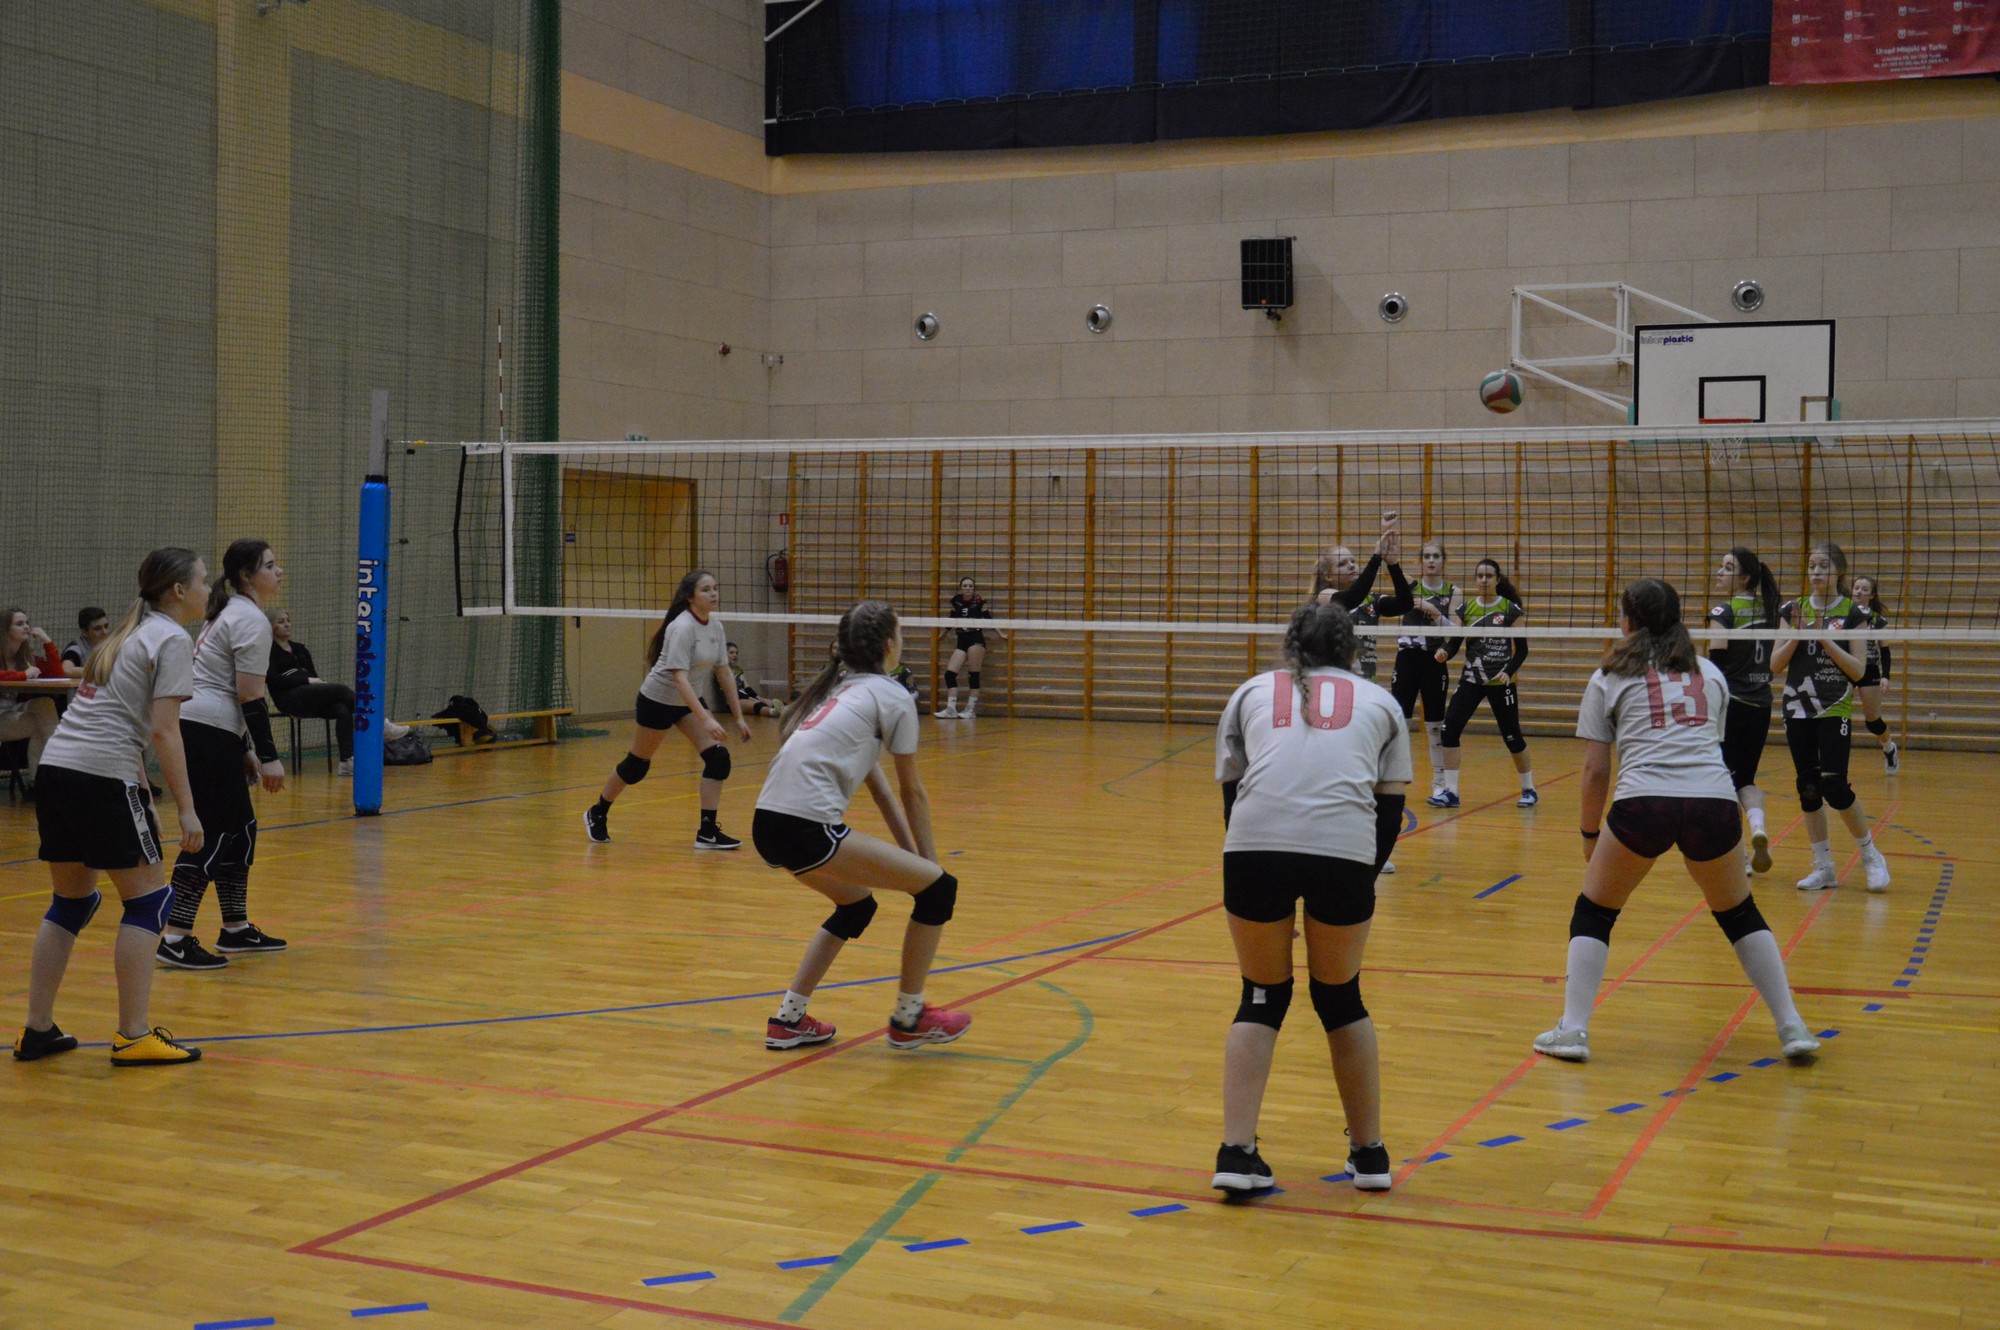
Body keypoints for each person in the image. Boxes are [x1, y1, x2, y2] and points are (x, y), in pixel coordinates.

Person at [1533, 578, 1820, 1065]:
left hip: (1644, 804)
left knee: (1594, 911)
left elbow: (1595, 771)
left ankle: (1573, 1030)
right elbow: (1710, 747)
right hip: (1713, 803)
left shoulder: (1609, 675)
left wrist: (1588, 833)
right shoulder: (1710, 674)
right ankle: (1792, 1025)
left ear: (1628, 622)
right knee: (1740, 914)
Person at [1211, 600, 1409, 1194]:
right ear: (1351, 649)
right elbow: (1390, 812)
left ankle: (1236, 1153)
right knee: (1341, 999)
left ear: (1290, 646)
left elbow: (1234, 797)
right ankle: (1370, 1156)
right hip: (1343, 851)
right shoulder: (1381, 703)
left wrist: (1265, 890)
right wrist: (1357, 886)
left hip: (1252, 849)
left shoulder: (1250, 692)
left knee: (1261, 995)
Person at [13, 548, 211, 1066]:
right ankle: (133, 1035)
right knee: (149, 903)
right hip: (100, 777)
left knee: (71, 903)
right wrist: (187, 808)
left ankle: (37, 1030)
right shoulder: (170, 638)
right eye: (204, 581)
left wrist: (141, 785)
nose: (209, 590)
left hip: (57, 771)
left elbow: (117, 718)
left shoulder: (128, 634)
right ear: (179, 591)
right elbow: (164, 731)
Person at [752, 600, 971, 1052]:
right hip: (806, 827)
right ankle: (909, 1018)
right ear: (889, 645)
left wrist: (918, 865)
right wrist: (931, 871)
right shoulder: (890, 695)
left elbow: (883, 792)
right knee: (940, 891)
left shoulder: (841, 693)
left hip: (768, 824)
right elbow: (912, 792)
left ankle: (789, 1019)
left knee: (856, 907)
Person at [158, 539, 289, 970]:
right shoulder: (249, 619)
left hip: (214, 731)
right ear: (247, 576)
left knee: (241, 830)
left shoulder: (233, 611)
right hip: (206, 732)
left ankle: (235, 926)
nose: (278, 572)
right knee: (212, 833)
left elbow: (228, 688)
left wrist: (243, 747)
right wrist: (268, 756)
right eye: (269, 565)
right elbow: (249, 694)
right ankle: (174, 937)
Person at [585, 569, 752, 849]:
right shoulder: (682, 627)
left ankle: (707, 832)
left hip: (688, 701)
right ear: (690, 597)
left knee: (718, 758)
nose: (713, 594)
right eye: (706, 589)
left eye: (715, 588)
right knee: (637, 766)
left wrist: (739, 718)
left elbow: (724, 672)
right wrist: (706, 719)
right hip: (658, 700)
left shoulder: (715, 627)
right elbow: (679, 679)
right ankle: (597, 812)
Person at [1773, 542, 1891, 893]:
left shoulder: (1854, 613)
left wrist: (1826, 640)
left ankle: (1871, 856)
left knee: (1835, 786)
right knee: (1808, 788)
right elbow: (1775, 665)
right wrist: (1797, 635)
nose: (1815, 571)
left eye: (1823, 565)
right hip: (1797, 706)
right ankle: (1824, 868)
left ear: (1838, 570)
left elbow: (1858, 670)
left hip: (1833, 705)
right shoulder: (1792, 609)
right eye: (1812, 565)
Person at [1313, 513, 1413, 872]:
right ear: (1328, 575)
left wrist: (1393, 564)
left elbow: (1405, 603)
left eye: (1354, 560)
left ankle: (1366, 845)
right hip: (1332, 696)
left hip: (1364, 694)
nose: (1352, 565)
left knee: (1369, 769)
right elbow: (1349, 598)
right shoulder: (1326, 597)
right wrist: (1375, 557)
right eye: (1344, 563)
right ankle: (1327, 839)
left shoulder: (1369, 601)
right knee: (1338, 771)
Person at [1432, 558, 1536, 809]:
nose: (1483, 580)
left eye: (1488, 576)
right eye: (1479, 576)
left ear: (1497, 579)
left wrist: (1508, 672)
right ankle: (1451, 792)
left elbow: (1522, 651)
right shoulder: (1466, 609)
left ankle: (1529, 789)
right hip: (1472, 679)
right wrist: (1445, 652)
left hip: (1500, 681)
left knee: (1512, 736)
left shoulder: (1510, 609)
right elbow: (1454, 644)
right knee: (1449, 730)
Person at [1708, 547, 1783, 875]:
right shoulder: (1771, 610)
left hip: (1732, 706)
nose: (1720, 572)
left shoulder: (1724, 612)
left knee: (1722, 779)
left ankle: (1738, 855)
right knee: (1747, 779)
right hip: (1762, 704)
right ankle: (1758, 827)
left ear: (1746, 578)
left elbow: (1716, 664)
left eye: (1728, 568)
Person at [267, 609, 410, 775]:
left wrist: (315, 684)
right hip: (288, 698)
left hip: (308, 694)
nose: (287, 624)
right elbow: (274, 681)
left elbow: (314, 676)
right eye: (281, 622)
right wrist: (306, 681)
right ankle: (379, 724)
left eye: (288, 620)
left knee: (342, 709)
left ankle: (346, 762)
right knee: (340, 689)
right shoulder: (268, 651)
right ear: (271, 627)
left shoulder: (300, 648)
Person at [1388, 541, 1460, 799]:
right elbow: (1391, 569)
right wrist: (1390, 548)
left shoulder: (1453, 591)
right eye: (1427, 556)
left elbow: (1457, 631)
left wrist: (1434, 612)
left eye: (1436, 556)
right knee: (1400, 722)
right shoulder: (1410, 584)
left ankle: (1439, 782)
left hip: (1433, 660)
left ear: (1443, 561)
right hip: (1407, 658)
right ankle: (1394, 777)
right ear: (1420, 561)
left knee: (1435, 725)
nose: (1431, 560)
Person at [0, 608, 64, 792]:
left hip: (11, 713)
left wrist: (47, 642)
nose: (27, 627)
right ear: (5, 630)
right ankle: (52, 776)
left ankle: (41, 782)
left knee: (45, 704)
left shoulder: (25, 658)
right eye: (20, 624)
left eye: (27, 623)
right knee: (41, 726)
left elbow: (57, 674)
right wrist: (22, 675)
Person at [1850, 575, 1899, 775]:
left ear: (1872, 595)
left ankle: (1889, 747)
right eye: (1856, 588)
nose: (1859, 591)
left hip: (1869, 668)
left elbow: (1885, 650)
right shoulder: (1842, 615)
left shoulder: (1877, 620)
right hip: (1846, 666)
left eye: (1864, 589)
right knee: (1834, 715)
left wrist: (1885, 676)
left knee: (1872, 722)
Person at [935, 577, 996, 719]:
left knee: (973, 675)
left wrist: (1001, 633)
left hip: (976, 639)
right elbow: (951, 619)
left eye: (970, 586)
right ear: (961, 588)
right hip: (961, 640)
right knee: (950, 674)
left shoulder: (979, 601)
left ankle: (970, 710)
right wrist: (943, 634)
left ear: (973, 588)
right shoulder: (956, 600)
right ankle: (951, 709)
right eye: (965, 586)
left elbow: (989, 619)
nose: (968, 588)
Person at [726, 641, 783, 719]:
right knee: (757, 704)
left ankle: (785, 708)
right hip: (732, 701)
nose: (735, 655)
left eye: (736, 653)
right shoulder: (722, 672)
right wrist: (750, 698)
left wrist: (758, 697)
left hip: (745, 697)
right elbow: (731, 692)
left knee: (768, 702)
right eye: (731, 653)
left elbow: (747, 687)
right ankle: (775, 712)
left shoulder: (738, 670)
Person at [60, 606, 110, 677]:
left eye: (106, 626)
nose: (105, 632)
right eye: (97, 628)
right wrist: (99, 673)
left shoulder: (107, 647)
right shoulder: (75, 650)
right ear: (84, 632)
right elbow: (66, 670)